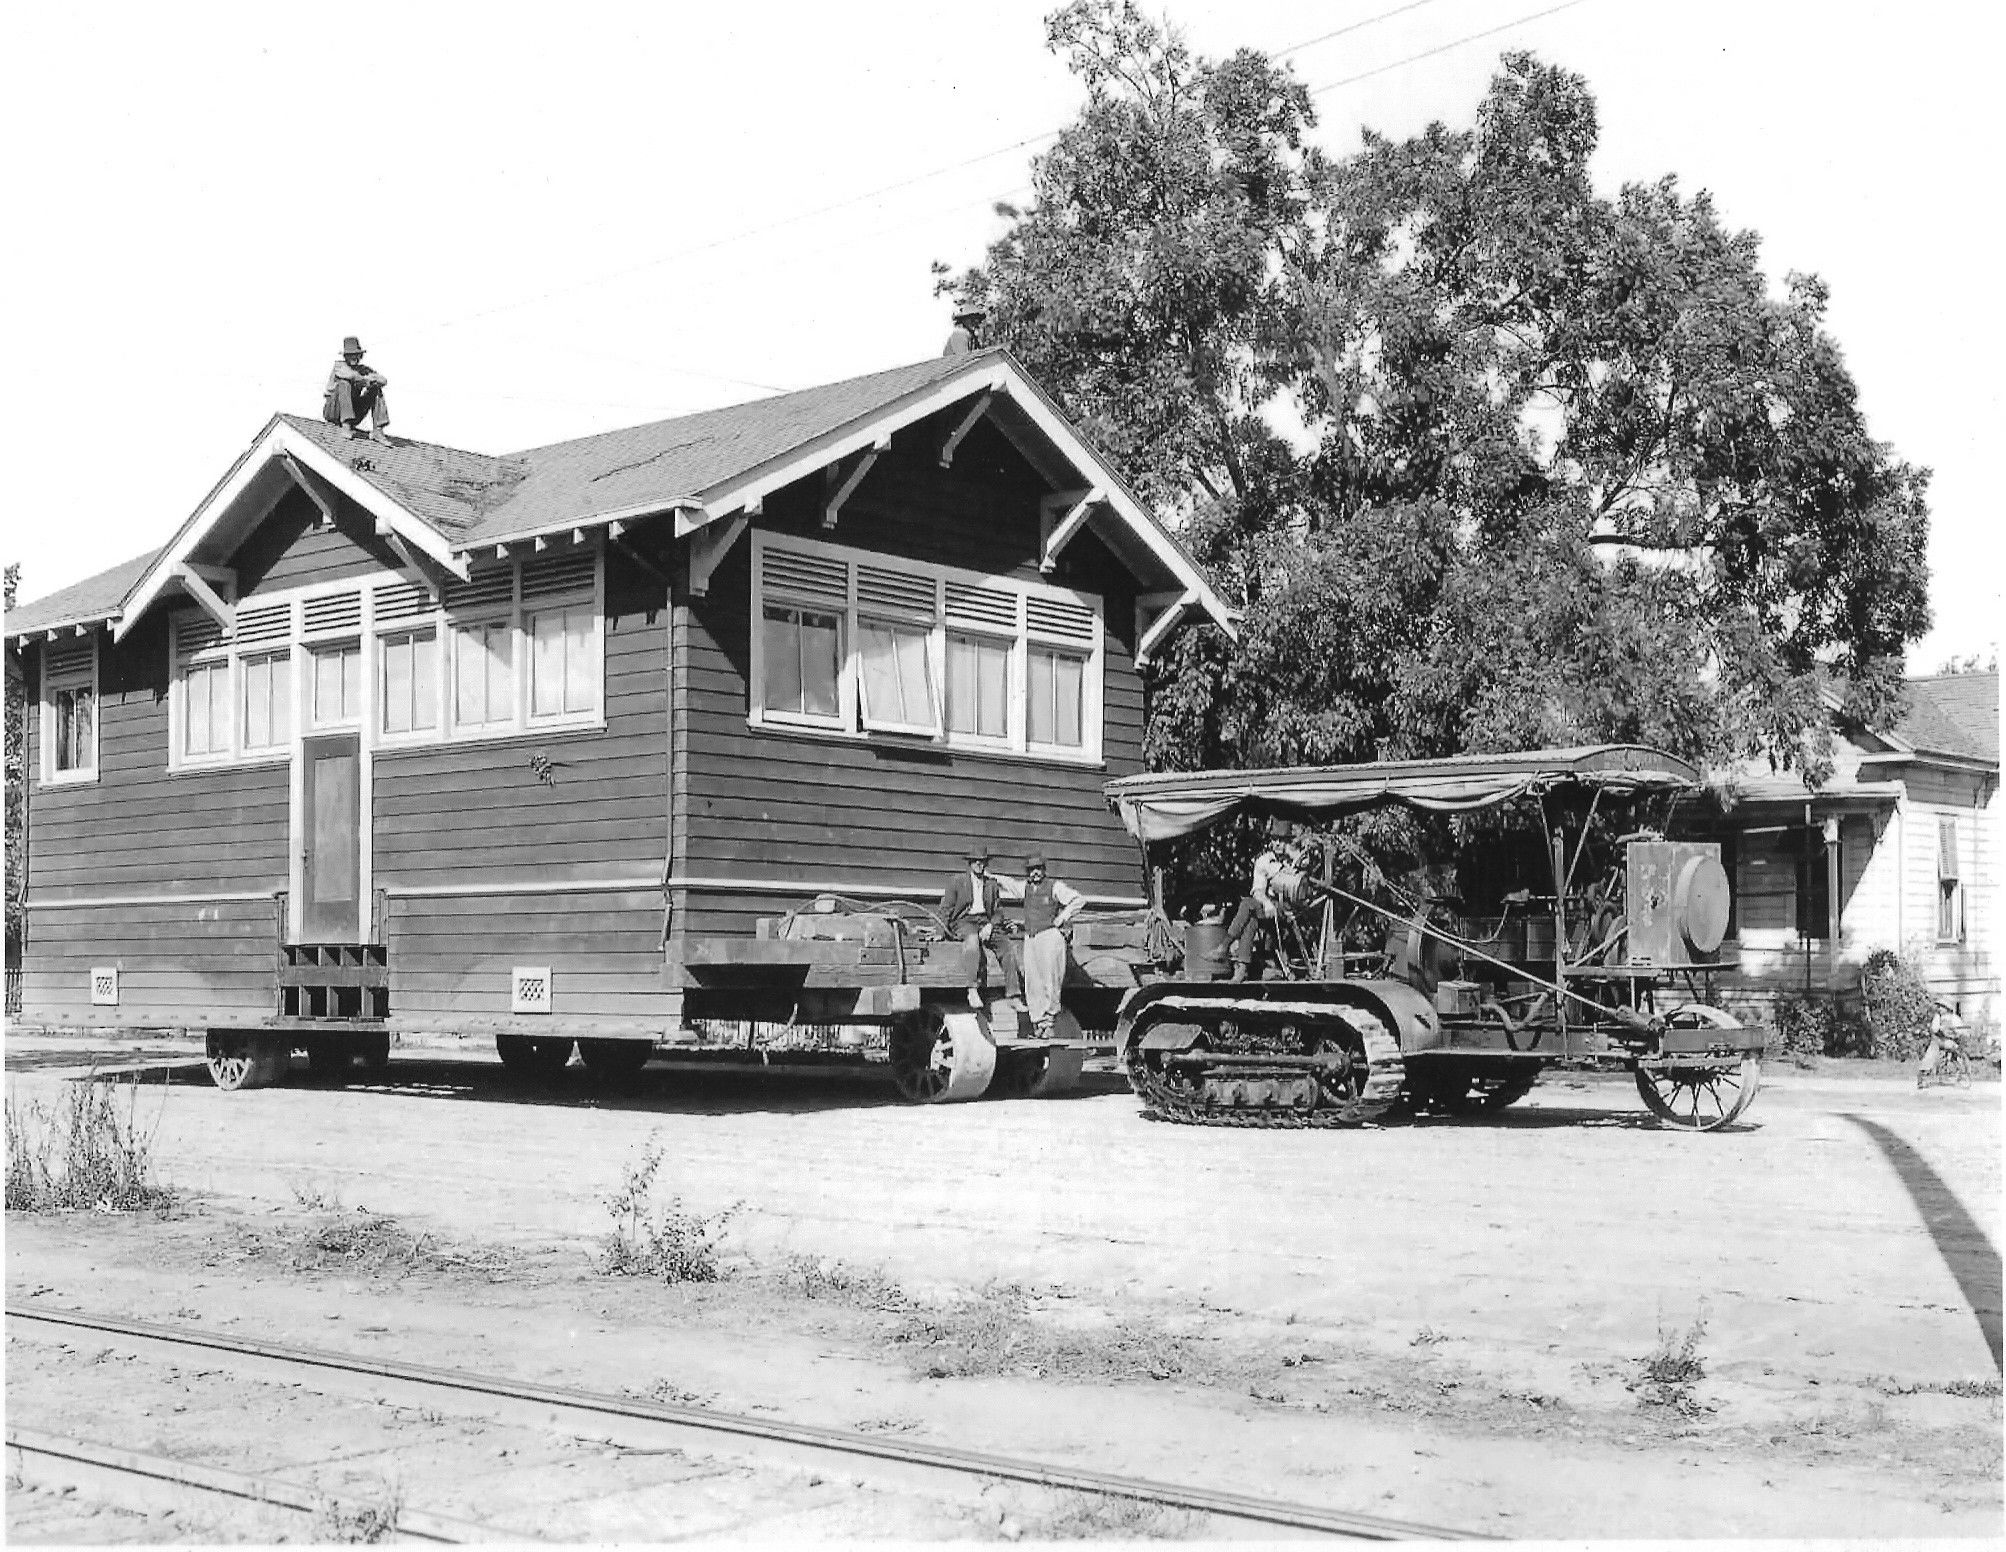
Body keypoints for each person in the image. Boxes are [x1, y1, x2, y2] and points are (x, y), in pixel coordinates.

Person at [939, 844, 1020, 1003]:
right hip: (964, 921)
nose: (979, 864)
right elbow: (945, 908)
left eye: (982, 861)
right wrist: (939, 931)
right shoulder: (957, 882)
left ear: (986, 864)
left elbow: (998, 911)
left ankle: (1014, 994)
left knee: (1007, 947)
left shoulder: (991, 884)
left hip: (985, 921)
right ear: (970, 863)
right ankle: (972, 989)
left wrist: (990, 925)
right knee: (972, 941)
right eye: (975, 861)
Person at [1018, 852, 1084, 1038]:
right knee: (1032, 982)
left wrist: (1061, 918)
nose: (1035, 873)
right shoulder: (1026, 888)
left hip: (1049, 936)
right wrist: (991, 876)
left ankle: (1049, 1023)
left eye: (1038, 869)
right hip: (1031, 937)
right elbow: (1007, 884)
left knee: (1050, 979)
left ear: (1044, 870)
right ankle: (1038, 1024)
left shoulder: (1054, 886)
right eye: (1032, 870)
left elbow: (1078, 900)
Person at [1224, 822, 1298, 982]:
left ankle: (1225, 947)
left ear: (1288, 841)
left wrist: (1294, 860)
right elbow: (1257, 891)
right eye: (1275, 839)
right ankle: (1242, 967)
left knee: (1247, 906)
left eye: (1282, 840)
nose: (1277, 843)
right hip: (1267, 906)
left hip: (1288, 909)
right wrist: (1266, 903)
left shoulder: (1296, 860)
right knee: (1250, 917)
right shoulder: (1264, 861)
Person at [322, 336, 391, 442]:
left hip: (354, 412)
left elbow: (383, 380)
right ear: (345, 356)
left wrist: (370, 380)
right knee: (344, 384)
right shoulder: (339, 366)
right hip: (333, 411)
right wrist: (367, 379)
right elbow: (350, 375)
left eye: (356, 355)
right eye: (350, 355)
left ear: (360, 355)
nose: (354, 358)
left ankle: (378, 429)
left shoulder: (363, 369)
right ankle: (346, 425)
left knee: (376, 389)